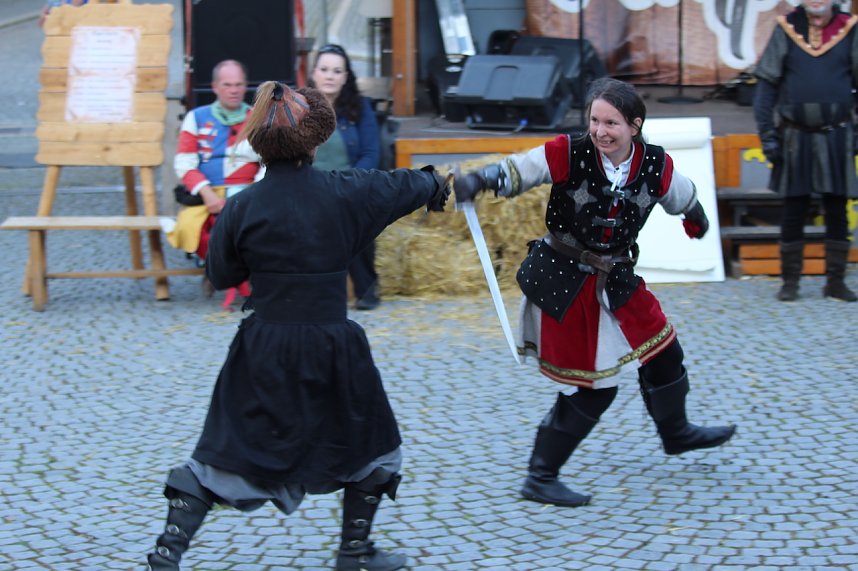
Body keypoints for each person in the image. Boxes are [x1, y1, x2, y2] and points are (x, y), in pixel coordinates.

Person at [146, 81, 451, 571]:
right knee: (372, 446)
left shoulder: (242, 206)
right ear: (314, 141)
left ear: (259, 142)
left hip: (263, 346)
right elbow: (412, 184)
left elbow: (222, 274)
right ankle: (353, 552)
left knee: (226, 455)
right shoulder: (348, 192)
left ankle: (167, 554)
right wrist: (439, 184)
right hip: (334, 345)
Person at [454, 77, 737, 508]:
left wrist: (695, 219)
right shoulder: (569, 153)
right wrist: (481, 179)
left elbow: (682, 196)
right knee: (595, 388)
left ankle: (675, 433)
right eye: (595, 121)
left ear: (635, 125)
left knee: (664, 350)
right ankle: (540, 476)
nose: (601, 131)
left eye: (612, 123)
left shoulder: (655, 164)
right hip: (565, 281)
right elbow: (520, 170)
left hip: (618, 277)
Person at [753, 0, 858, 302]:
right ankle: (790, 282)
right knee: (793, 209)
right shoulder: (786, 28)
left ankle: (836, 282)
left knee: (837, 209)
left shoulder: (849, 29)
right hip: (795, 137)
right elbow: (766, 88)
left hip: (837, 134)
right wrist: (768, 136)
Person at [166, 59, 264, 295]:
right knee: (190, 228)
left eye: (239, 84)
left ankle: (229, 274)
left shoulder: (258, 118)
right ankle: (217, 269)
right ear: (215, 87)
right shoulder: (196, 117)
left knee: (256, 226)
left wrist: (256, 191)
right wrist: (207, 193)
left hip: (249, 193)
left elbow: (268, 161)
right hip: (207, 194)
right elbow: (185, 162)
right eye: (227, 84)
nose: (233, 90)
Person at [309, 43, 383, 310]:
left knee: (355, 215)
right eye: (325, 69)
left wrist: (346, 185)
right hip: (309, 187)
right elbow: (290, 152)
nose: (330, 76)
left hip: (351, 186)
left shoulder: (361, 108)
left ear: (345, 76)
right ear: (314, 73)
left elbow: (371, 153)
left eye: (337, 71)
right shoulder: (298, 108)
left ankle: (366, 290)